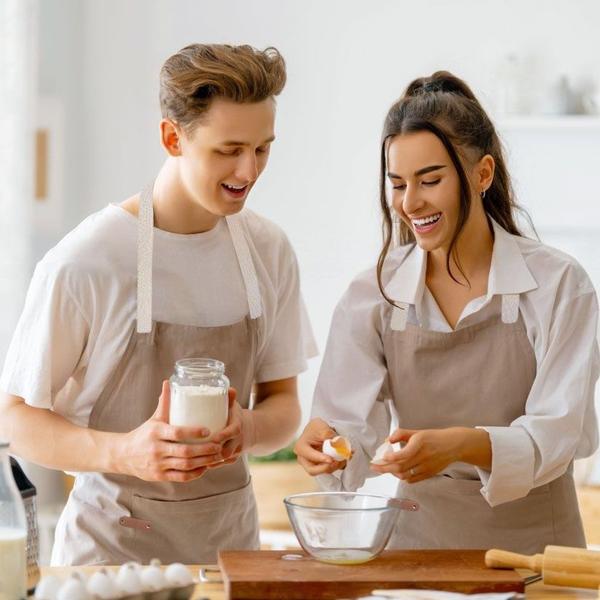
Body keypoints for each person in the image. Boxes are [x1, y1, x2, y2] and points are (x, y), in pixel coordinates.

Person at [0, 43, 316, 565]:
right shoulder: (88, 261)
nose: (249, 169)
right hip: (111, 561)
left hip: (230, 558)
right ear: (173, 137)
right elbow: (14, 419)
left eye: (263, 148)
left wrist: (250, 429)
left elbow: (284, 404)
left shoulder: (268, 249)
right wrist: (124, 451)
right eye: (228, 148)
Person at [294, 71, 599, 553]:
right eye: (397, 184)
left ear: (482, 175)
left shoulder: (559, 285)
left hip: (540, 556)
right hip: (416, 551)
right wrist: (327, 444)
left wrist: (460, 444)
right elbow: (347, 431)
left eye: (430, 180)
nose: (410, 203)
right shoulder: (372, 295)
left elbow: (559, 435)